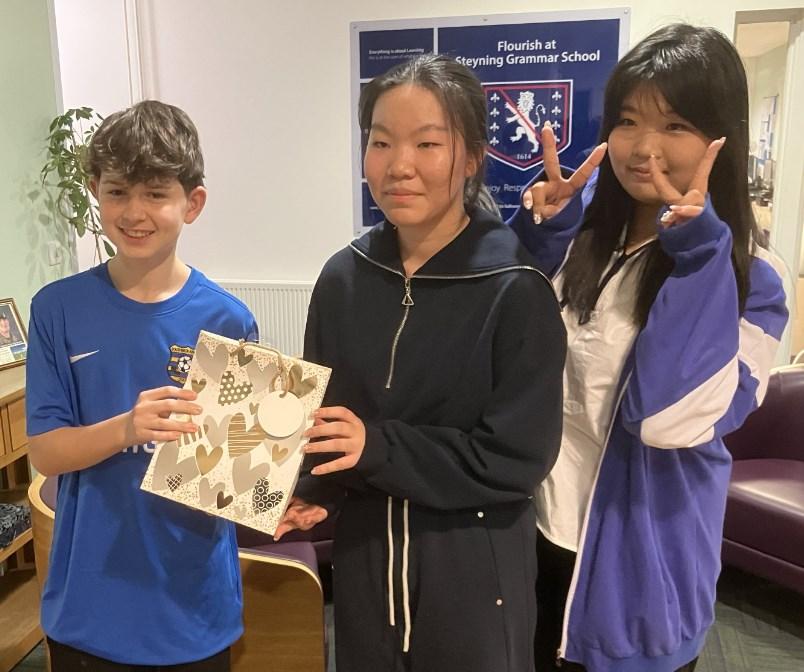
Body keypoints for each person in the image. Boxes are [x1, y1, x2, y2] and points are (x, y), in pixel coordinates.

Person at [507, 24, 789, 672]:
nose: (643, 148)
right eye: (628, 121)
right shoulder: (586, 235)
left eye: (675, 126)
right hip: (539, 529)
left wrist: (698, 254)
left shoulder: (753, 275)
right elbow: (510, 348)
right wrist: (543, 232)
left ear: (721, 137)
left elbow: (669, 420)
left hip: (641, 564)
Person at [276, 54, 566, 671]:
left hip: (472, 573)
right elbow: (328, 419)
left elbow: (516, 459)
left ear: (473, 158)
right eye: (381, 142)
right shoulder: (344, 277)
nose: (399, 165)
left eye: (427, 143)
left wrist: (378, 447)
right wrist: (315, 489)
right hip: (366, 564)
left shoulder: (515, 287)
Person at [26, 100, 258, 671]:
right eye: (117, 192)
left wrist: (273, 483)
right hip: (90, 605)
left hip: (193, 607)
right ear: (95, 192)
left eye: (155, 193)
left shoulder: (228, 320)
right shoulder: (58, 309)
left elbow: (236, 473)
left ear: (192, 203)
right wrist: (126, 428)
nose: (134, 212)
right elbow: (47, 452)